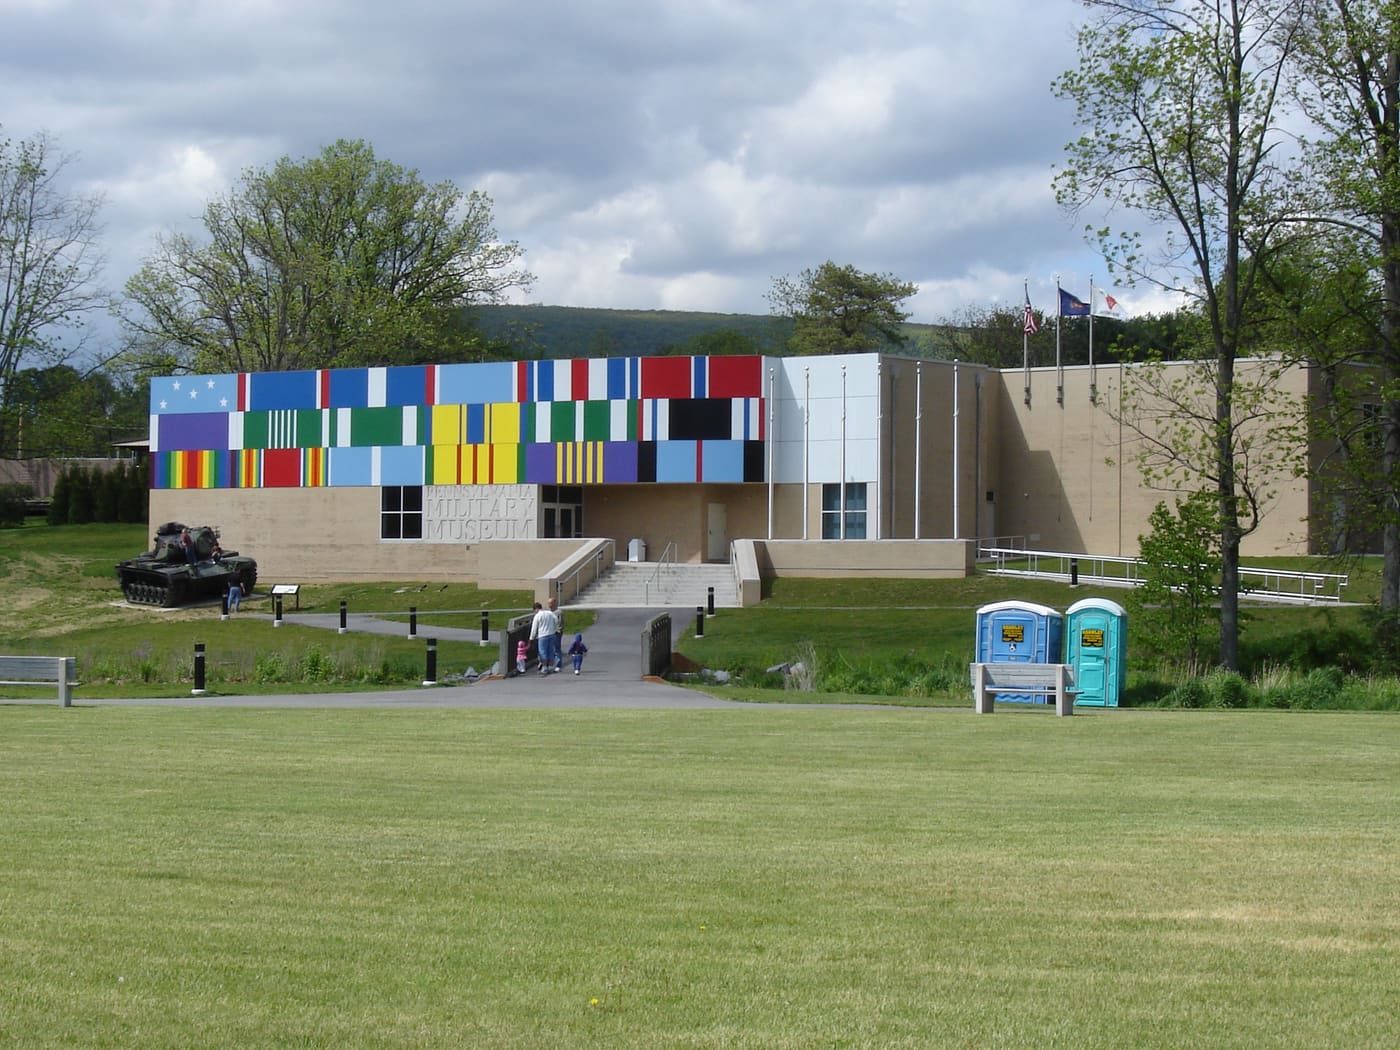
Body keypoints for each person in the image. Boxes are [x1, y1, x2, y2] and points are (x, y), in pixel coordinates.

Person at [528, 601, 559, 675]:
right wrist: (554, 629)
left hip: (542, 635)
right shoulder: (550, 613)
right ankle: (551, 666)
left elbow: (534, 628)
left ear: (536, 609)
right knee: (551, 651)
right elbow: (556, 620)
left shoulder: (538, 616)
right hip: (551, 634)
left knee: (543, 652)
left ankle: (544, 667)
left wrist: (531, 638)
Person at [548, 596, 564, 671]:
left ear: (554, 603)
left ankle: (558, 664)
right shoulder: (548, 612)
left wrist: (557, 631)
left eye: (550, 603)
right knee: (550, 649)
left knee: (557, 649)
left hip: (556, 633)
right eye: (548, 603)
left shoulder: (558, 612)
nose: (549, 604)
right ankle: (551, 664)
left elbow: (560, 624)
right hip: (549, 633)